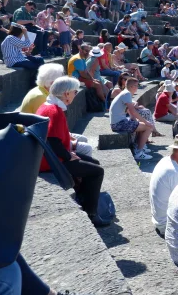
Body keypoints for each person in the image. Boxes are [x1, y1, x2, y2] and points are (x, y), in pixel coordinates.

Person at [35, 76, 109, 227]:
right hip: (52, 161)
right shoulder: (54, 110)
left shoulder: (50, 106)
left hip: (52, 156)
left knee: (94, 163)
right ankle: (92, 213)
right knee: (97, 171)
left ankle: (83, 197)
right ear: (66, 93)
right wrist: (68, 156)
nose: (76, 94)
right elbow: (53, 141)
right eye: (75, 91)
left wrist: (69, 153)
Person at [19, 63, 92, 156]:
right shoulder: (41, 97)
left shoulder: (40, 91)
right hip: (37, 141)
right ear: (52, 83)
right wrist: (68, 151)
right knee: (85, 147)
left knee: (82, 139)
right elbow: (50, 133)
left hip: (40, 135)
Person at [109, 77, 154, 160]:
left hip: (119, 122)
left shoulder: (125, 93)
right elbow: (132, 111)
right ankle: (139, 153)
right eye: (137, 85)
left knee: (142, 125)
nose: (138, 87)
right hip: (119, 124)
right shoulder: (127, 94)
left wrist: (137, 121)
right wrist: (146, 122)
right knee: (149, 126)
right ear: (132, 86)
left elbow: (130, 110)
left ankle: (139, 147)